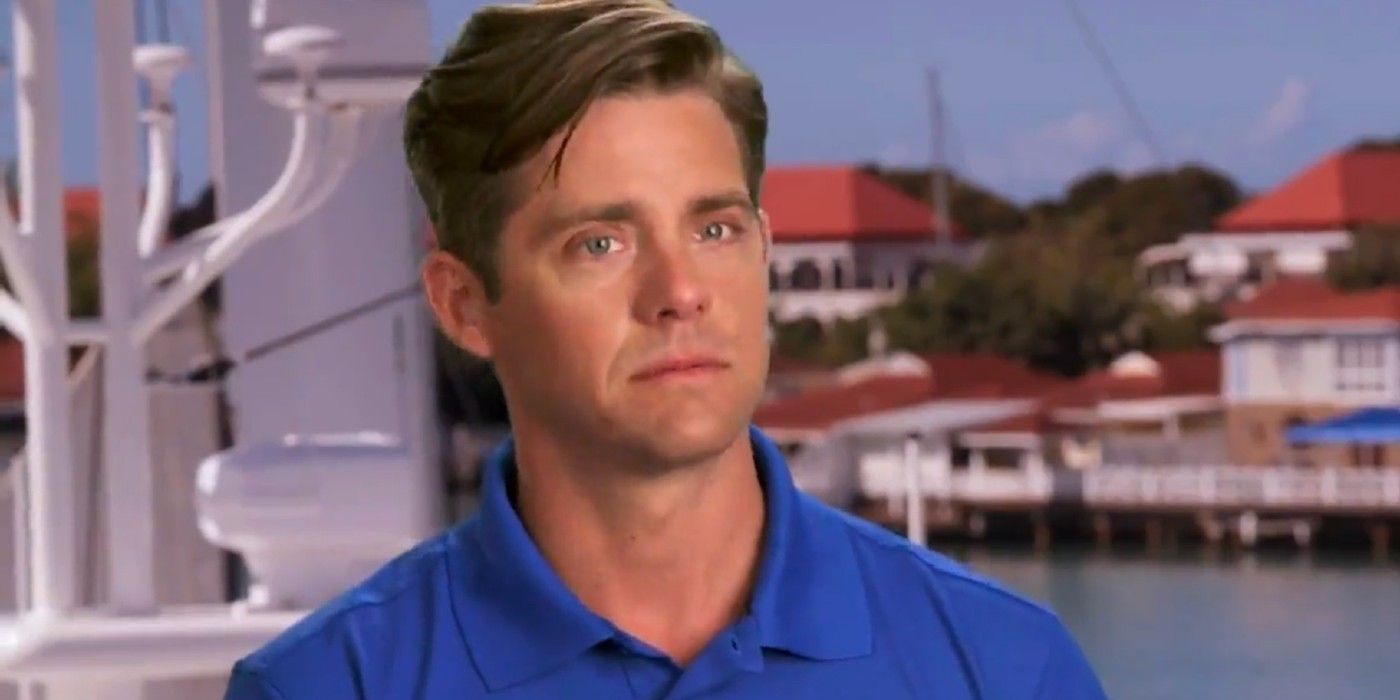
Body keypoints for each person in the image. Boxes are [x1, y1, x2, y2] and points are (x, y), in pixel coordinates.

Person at [223, 1, 1108, 697]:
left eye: (715, 228)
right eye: (599, 244)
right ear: (464, 305)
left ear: (764, 249)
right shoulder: (329, 687)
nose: (680, 292)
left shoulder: (1001, 669)